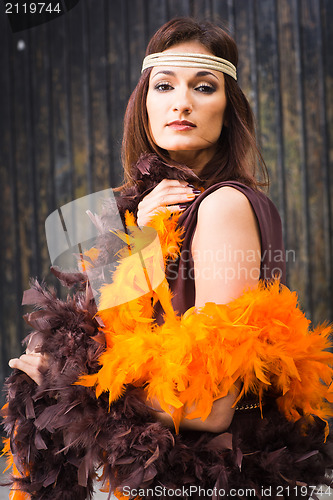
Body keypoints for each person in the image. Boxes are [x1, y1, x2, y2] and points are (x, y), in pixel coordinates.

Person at [3, 17, 332, 500]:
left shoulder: (222, 207)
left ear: (228, 109)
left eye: (204, 86)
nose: (182, 102)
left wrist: (65, 384)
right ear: (145, 106)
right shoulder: (151, 216)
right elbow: (116, 338)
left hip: (215, 479)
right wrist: (131, 242)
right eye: (164, 85)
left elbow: (209, 406)